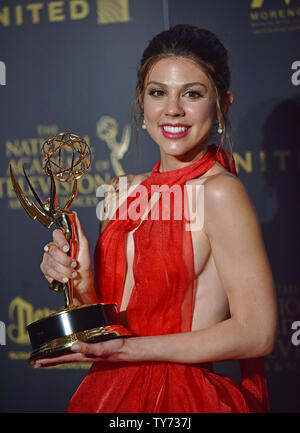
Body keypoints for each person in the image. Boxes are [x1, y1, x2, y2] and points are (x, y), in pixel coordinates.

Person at [38, 24, 277, 413]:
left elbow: (258, 333)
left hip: (185, 399)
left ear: (221, 105)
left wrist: (127, 351)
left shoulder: (219, 193)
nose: (172, 110)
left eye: (192, 94)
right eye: (158, 92)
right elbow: (107, 328)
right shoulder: (119, 192)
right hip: (109, 395)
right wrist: (79, 282)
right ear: (142, 101)